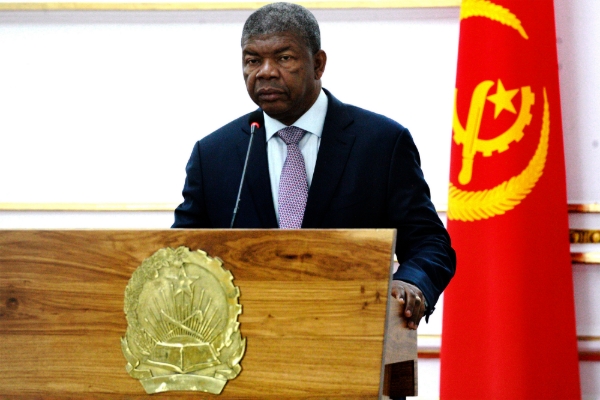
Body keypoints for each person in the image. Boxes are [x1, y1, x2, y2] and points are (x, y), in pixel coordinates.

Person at [172, 2, 455, 330]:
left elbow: (429, 243)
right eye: (252, 60)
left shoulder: (380, 143)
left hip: (351, 334)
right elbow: (182, 253)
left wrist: (411, 282)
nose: (265, 71)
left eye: (284, 58)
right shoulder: (215, 154)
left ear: (318, 64)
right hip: (243, 345)